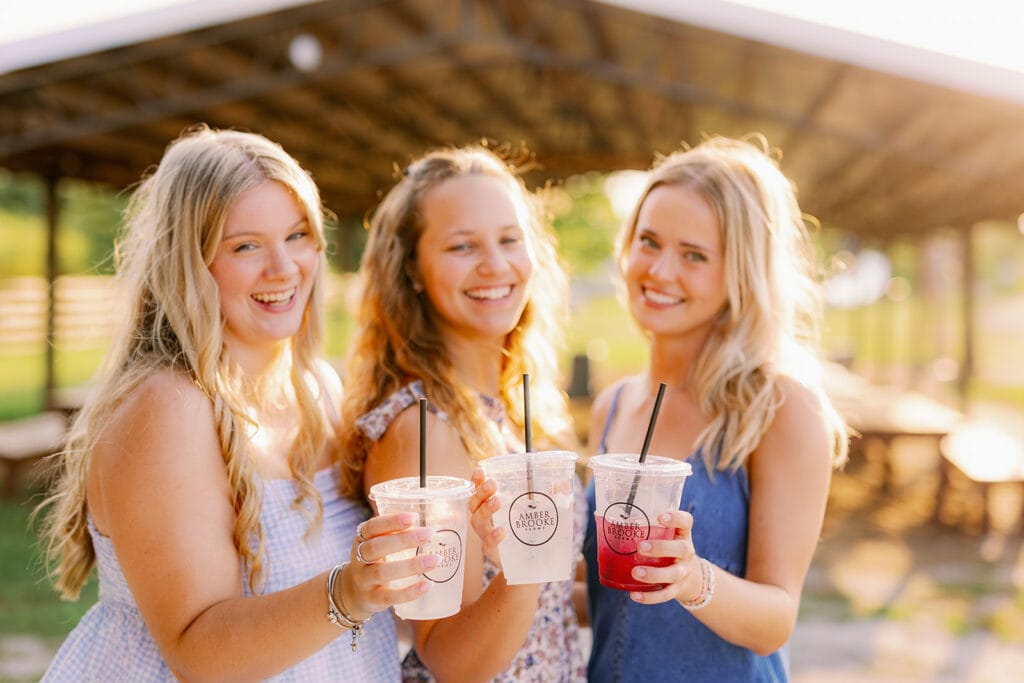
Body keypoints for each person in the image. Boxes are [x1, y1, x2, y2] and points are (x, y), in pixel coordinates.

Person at [36, 126, 437, 681]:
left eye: (297, 236)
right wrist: (349, 590)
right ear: (189, 262)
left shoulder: (320, 386)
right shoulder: (169, 407)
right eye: (246, 245)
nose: (283, 267)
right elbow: (197, 652)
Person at [582, 135, 849, 682]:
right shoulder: (612, 406)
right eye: (649, 241)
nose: (658, 270)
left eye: (694, 255)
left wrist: (691, 578)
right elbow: (613, 600)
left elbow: (777, 617)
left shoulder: (779, 410)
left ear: (739, 274)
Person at [338, 145, 587, 682]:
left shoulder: (515, 405)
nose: (495, 265)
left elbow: (547, 604)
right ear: (413, 271)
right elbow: (450, 658)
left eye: (509, 239)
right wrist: (526, 563)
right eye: (461, 245)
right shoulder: (423, 430)